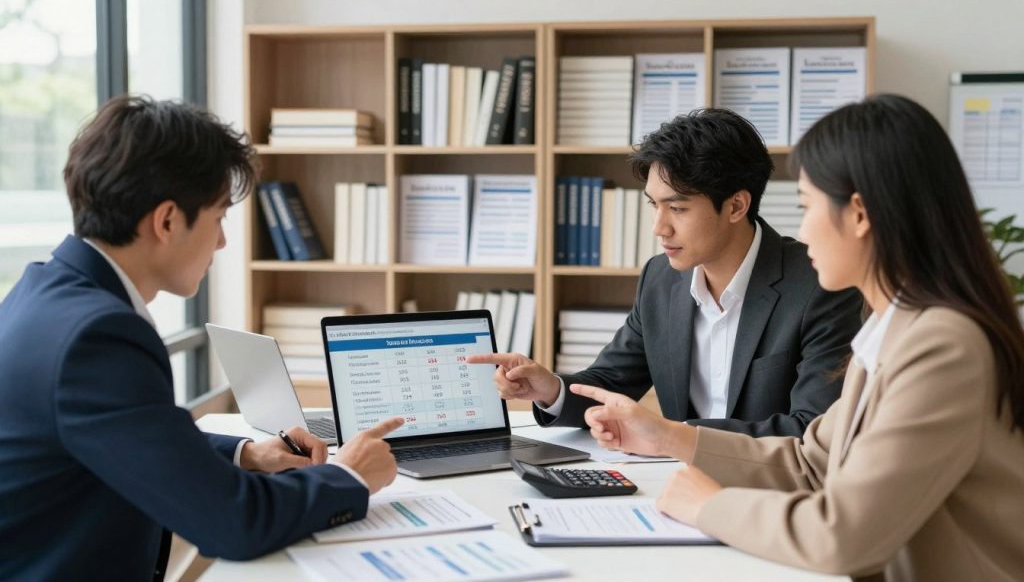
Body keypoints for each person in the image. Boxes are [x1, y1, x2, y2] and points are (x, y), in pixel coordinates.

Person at [574, 94, 1024, 581]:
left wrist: (712, 506)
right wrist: (667, 435)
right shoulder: (894, 327)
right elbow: (812, 462)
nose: (801, 229)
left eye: (807, 205)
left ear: (858, 215)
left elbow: (846, 537)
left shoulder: (943, 347)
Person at [0, 95, 404, 580]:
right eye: (218, 218)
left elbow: (122, 434)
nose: (222, 242)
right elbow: (233, 522)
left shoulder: (42, 289)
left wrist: (244, 453)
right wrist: (348, 477)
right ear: (167, 220)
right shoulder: (99, 337)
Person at [469, 108, 862, 437]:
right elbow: (611, 382)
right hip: (670, 481)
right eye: (653, 206)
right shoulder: (661, 278)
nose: (659, 228)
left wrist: (673, 436)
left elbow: (813, 429)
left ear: (736, 206)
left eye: (677, 208)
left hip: (766, 491)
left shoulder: (820, 285)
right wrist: (549, 388)